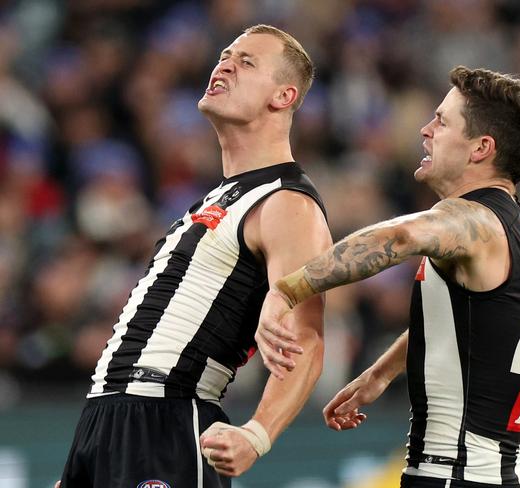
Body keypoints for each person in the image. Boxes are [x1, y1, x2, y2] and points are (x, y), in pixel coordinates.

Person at [256, 66, 520, 487]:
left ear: (480, 148)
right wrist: (380, 373)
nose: (425, 129)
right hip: (489, 474)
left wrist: (288, 290)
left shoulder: (472, 219)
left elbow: (399, 236)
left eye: (442, 121)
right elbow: (468, 330)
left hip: (453, 475)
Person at [57, 24, 332, 488]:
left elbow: (306, 340)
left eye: (246, 62)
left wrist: (257, 435)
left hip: (169, 420)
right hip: (105, 418)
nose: (223, 65)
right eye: (225, 55)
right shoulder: (216, 198)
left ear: (283, 96)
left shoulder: (288, 203)